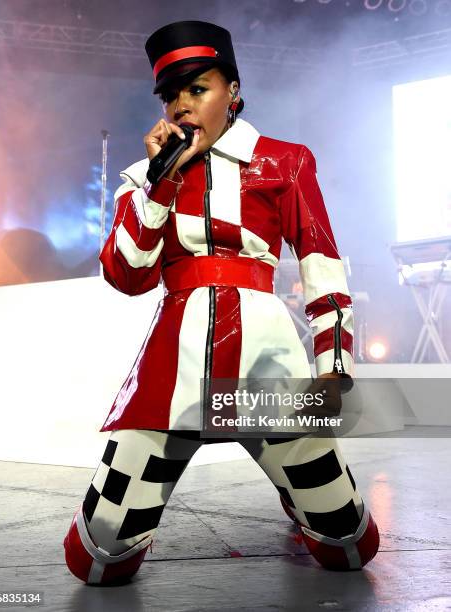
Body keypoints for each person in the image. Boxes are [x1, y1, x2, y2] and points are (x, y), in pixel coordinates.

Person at [64, 20, 379, 585]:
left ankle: (297, 492)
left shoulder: (285, 161)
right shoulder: (143, 177)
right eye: (171, 94)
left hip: (268, 368)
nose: (183, 105)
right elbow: (126, 276)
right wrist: (160, 183)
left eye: (198, 88)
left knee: (348, 546)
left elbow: (320, 263)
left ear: (232, 90)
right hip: (171, 374)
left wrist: (334, 368)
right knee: (97, 558)